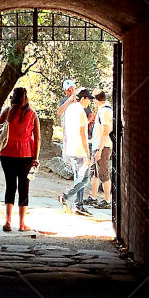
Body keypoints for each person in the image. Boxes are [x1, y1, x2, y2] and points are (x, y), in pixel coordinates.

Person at [0, 87, 39, 232]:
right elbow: (37, 138)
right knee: (24, 188)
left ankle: (7, 222)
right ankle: (21, 224)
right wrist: (36, 158)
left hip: (6, 153)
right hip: (26, 156)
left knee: (10, 186)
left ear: (13, 97)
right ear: (26, 98)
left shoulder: (7, 111)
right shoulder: (32, 114)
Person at [58, 88, 94, 216]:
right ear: (83, 98)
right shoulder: (80, 111)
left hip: (71, 148)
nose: (89, 102)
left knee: (78, 178)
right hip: (79, 149)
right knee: (85, 179)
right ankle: (66, 196)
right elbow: (82, 134)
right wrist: (87, 154)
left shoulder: (70, 109)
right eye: (89, 99)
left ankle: (78, 205)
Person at [88, 89, 113, 209]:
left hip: (103, 146)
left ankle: (108, 201)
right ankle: (93, 197)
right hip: (98, 145)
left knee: (103, 174)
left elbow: (106, 131)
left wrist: (99, 149)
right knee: (95, 173)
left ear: (96, 100)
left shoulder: (105, 111)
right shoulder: (103, 109)